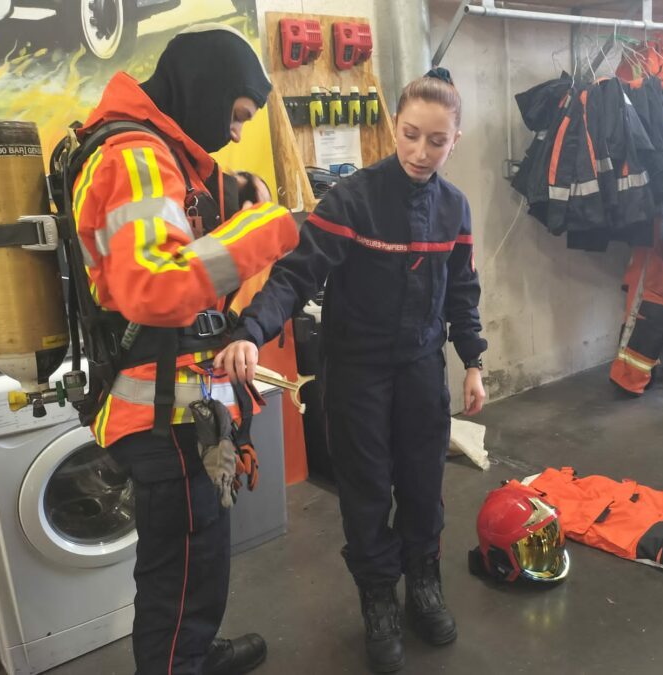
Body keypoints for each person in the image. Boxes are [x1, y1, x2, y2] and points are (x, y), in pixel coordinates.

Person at [216, 69, 487, 673]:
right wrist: (251, 333)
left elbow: (461, 292)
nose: (420, 152)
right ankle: (377, 603)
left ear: (456, 140)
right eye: (411, 135)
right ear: (396, 125)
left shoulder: (454, 209)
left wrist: (472, 362)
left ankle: (423, 586)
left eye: (436, 141)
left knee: (422, 486)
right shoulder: (352, 200)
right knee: (366, 494)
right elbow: (294, 275)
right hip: (357, 373)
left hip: (421, 369)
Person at [71, 25, 300, 674]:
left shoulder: (150, 152)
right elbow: (158, 285)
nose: (234, 133)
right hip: (160, 413)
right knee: (178, 574)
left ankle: (194, 652)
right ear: (199, 89)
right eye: (234, 115)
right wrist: (274, 225)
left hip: (175, 405)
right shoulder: (136, 157)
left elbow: (176, 219)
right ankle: (179, 661)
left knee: (199, 554)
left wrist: (239, 193)